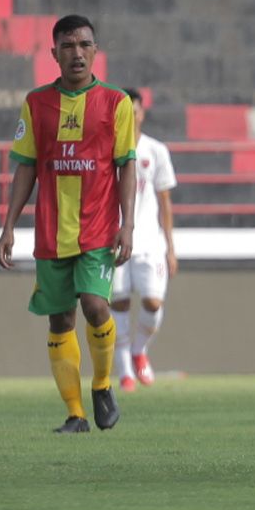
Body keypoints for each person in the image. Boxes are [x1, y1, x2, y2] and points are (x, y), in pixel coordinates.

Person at [0, 15, 137, 433]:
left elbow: (126, 165)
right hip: (51, 232)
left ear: (96, 51)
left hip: (97, 229)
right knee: (60, 321)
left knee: (95, 306)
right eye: (69, 45)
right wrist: (8, 226)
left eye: (85, 45)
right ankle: (75, 413)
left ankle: (102, 384)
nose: (77, 52)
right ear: (54, 52)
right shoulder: (36, 103)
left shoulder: (116, 103)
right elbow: (25, 168)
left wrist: (127, 225)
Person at [110, 91, 178, 392]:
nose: (131, 116)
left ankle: (139, 350)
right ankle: (124, 371)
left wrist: (171, 247)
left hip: (150, 241)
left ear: (141, 114)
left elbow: (165, 201)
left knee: (153, 301)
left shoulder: (156, 151)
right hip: (113, 241)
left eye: (135, 111)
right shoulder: (106, 149)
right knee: (119, 302)